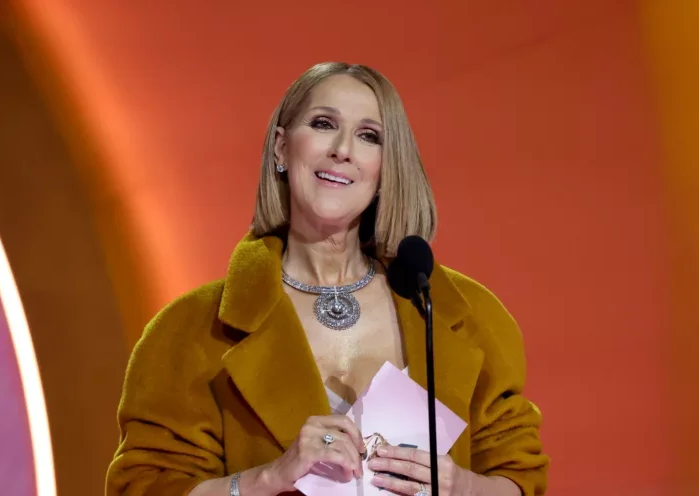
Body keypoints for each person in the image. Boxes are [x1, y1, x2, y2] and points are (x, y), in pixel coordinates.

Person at [105, 62, 549, 496]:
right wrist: (267, 479)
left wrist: (463, 487)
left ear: (386, 167)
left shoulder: (463, 313)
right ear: (281, 148)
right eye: (323, 124)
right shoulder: (189, 330)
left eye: (369, 136)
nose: (343, 149)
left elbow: (520, 477)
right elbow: (143, 487)